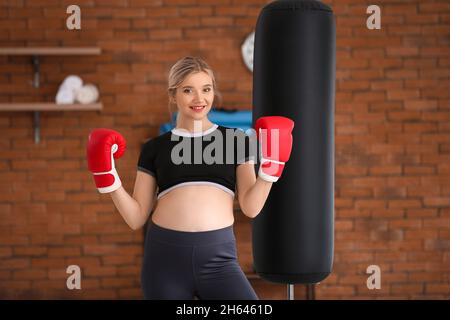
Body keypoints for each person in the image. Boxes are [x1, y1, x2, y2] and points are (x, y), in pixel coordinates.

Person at [86, 56, 294, 300]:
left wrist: (271, 169)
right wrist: (108, 179)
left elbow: (251, 207)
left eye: (206, 89)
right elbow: (136, 217)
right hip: (165, 261)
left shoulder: (236, 140)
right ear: (173, 95)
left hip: (219, 261)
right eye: (188, 90)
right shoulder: (155, 148)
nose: (199, 99)